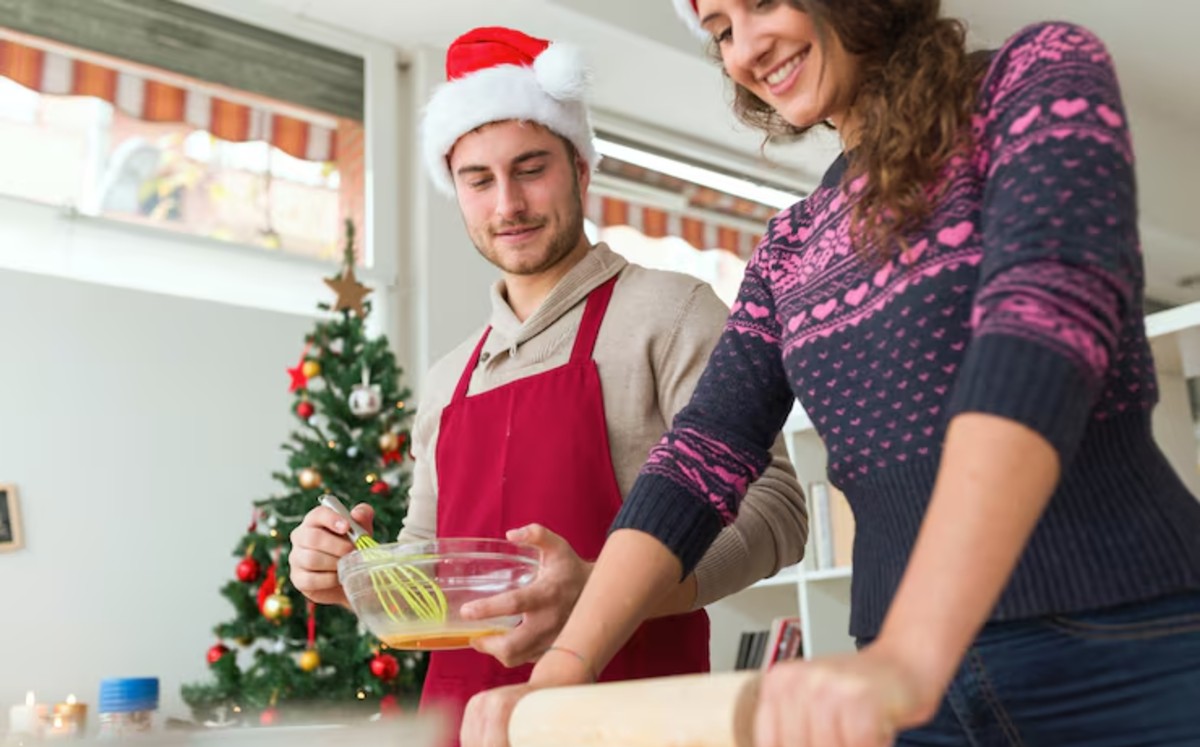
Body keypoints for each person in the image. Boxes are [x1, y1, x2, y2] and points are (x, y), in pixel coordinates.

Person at [462, 2, 1200, 746]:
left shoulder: (1030, 78)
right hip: (909, 685)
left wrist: (918, 640)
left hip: (1121, 637)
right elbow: (698, 457)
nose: (745, 50)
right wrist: (564, 666)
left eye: (763, 3)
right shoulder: (790, 245)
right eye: (721, 31)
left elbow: (1039, 332)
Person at [287, 25, 808, 745]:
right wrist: (353, 573)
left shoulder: (671, 312)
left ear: (581, 170)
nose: (508, 204)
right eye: (479, 180)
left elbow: (779, 510)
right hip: (467, 726)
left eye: (530, 169)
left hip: (632, 723)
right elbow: (430, 570)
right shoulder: (447, 379)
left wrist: (602, 589)